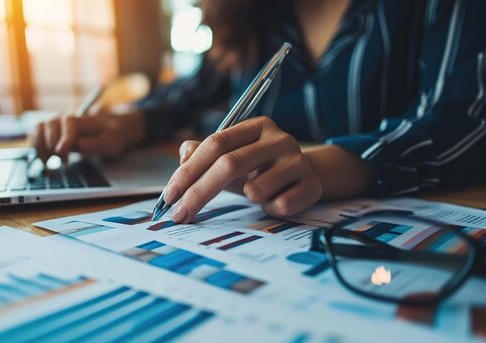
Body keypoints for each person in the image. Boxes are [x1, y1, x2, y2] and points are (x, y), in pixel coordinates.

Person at [30, 0, 486, 224]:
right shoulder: (250, 14)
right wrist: (127, 123)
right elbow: (187, 94)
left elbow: (460, 119)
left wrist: (323, 167)